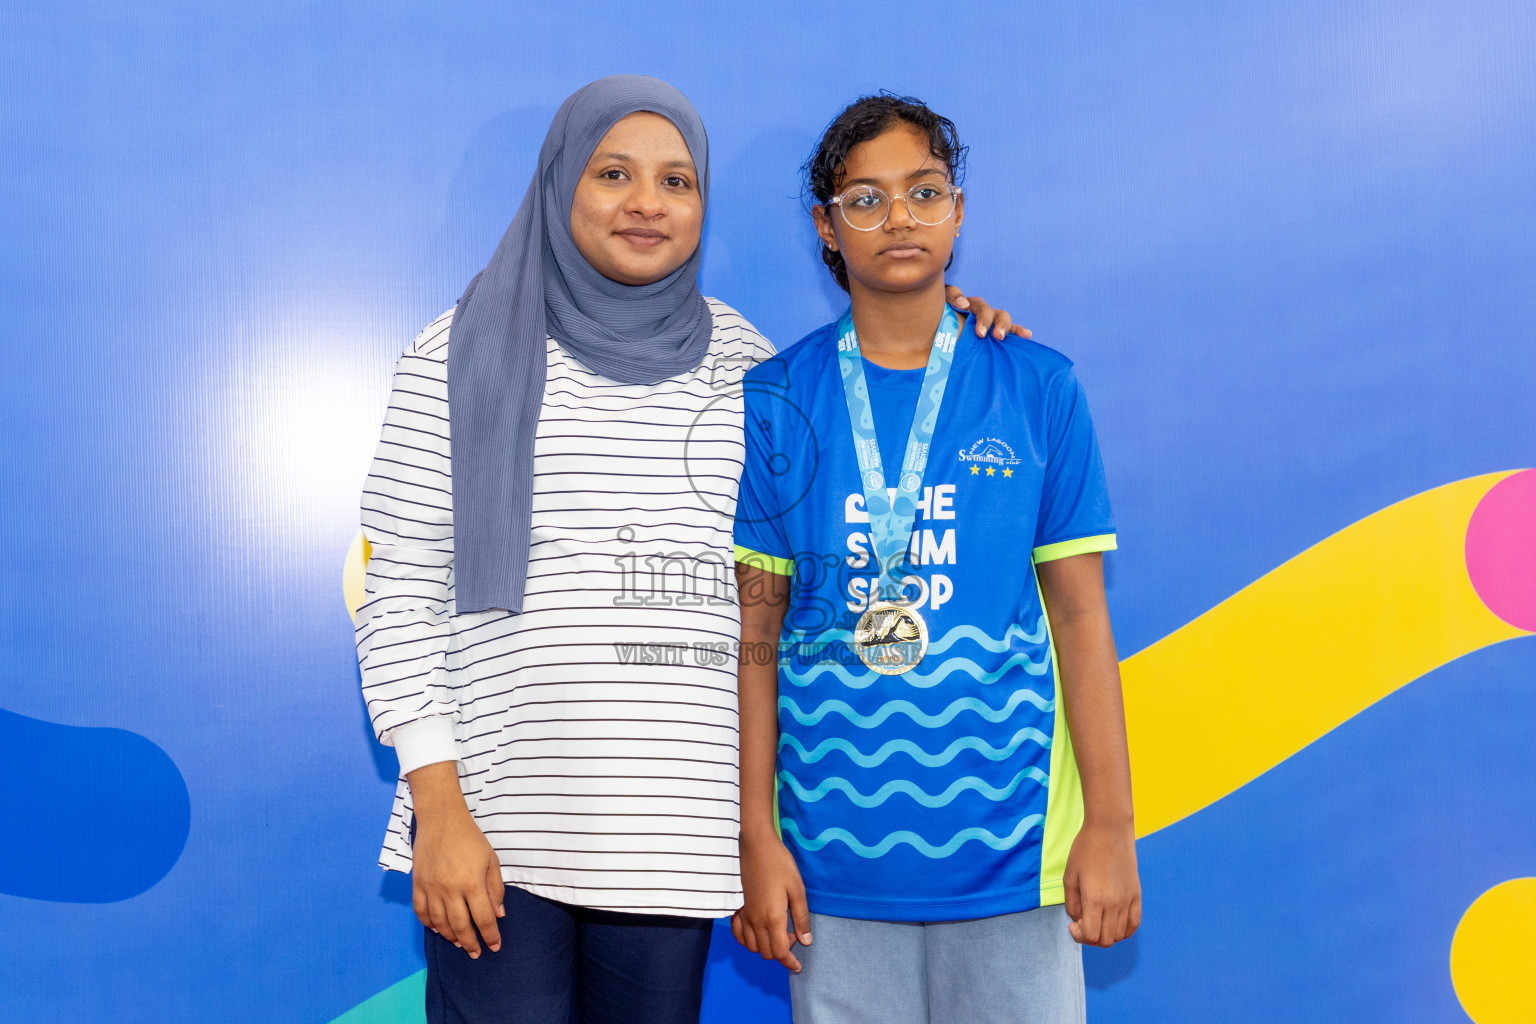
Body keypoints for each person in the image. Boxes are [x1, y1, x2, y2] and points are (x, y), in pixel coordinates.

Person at [354, 76, 1027, 1024]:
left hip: (673, 841)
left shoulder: (747, 367)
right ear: (558, 187)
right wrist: (440, 810)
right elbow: (400, 594)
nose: (646, 202)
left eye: (676, 181)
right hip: (497, 831)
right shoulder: (458, 352)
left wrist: (943, 320)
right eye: (613, 173)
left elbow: (807, 541)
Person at [732, 94, 1141, 1024]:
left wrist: (1110, 827)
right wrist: (758, 834)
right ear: (825, 229)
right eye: (865, 200)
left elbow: (1081, 617)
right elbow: (756, 630)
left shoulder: (1038, 387)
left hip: (1015, 857)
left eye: (923, 191)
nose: (899, 218)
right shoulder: (776, 399)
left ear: (959, 210)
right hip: (829, 864)